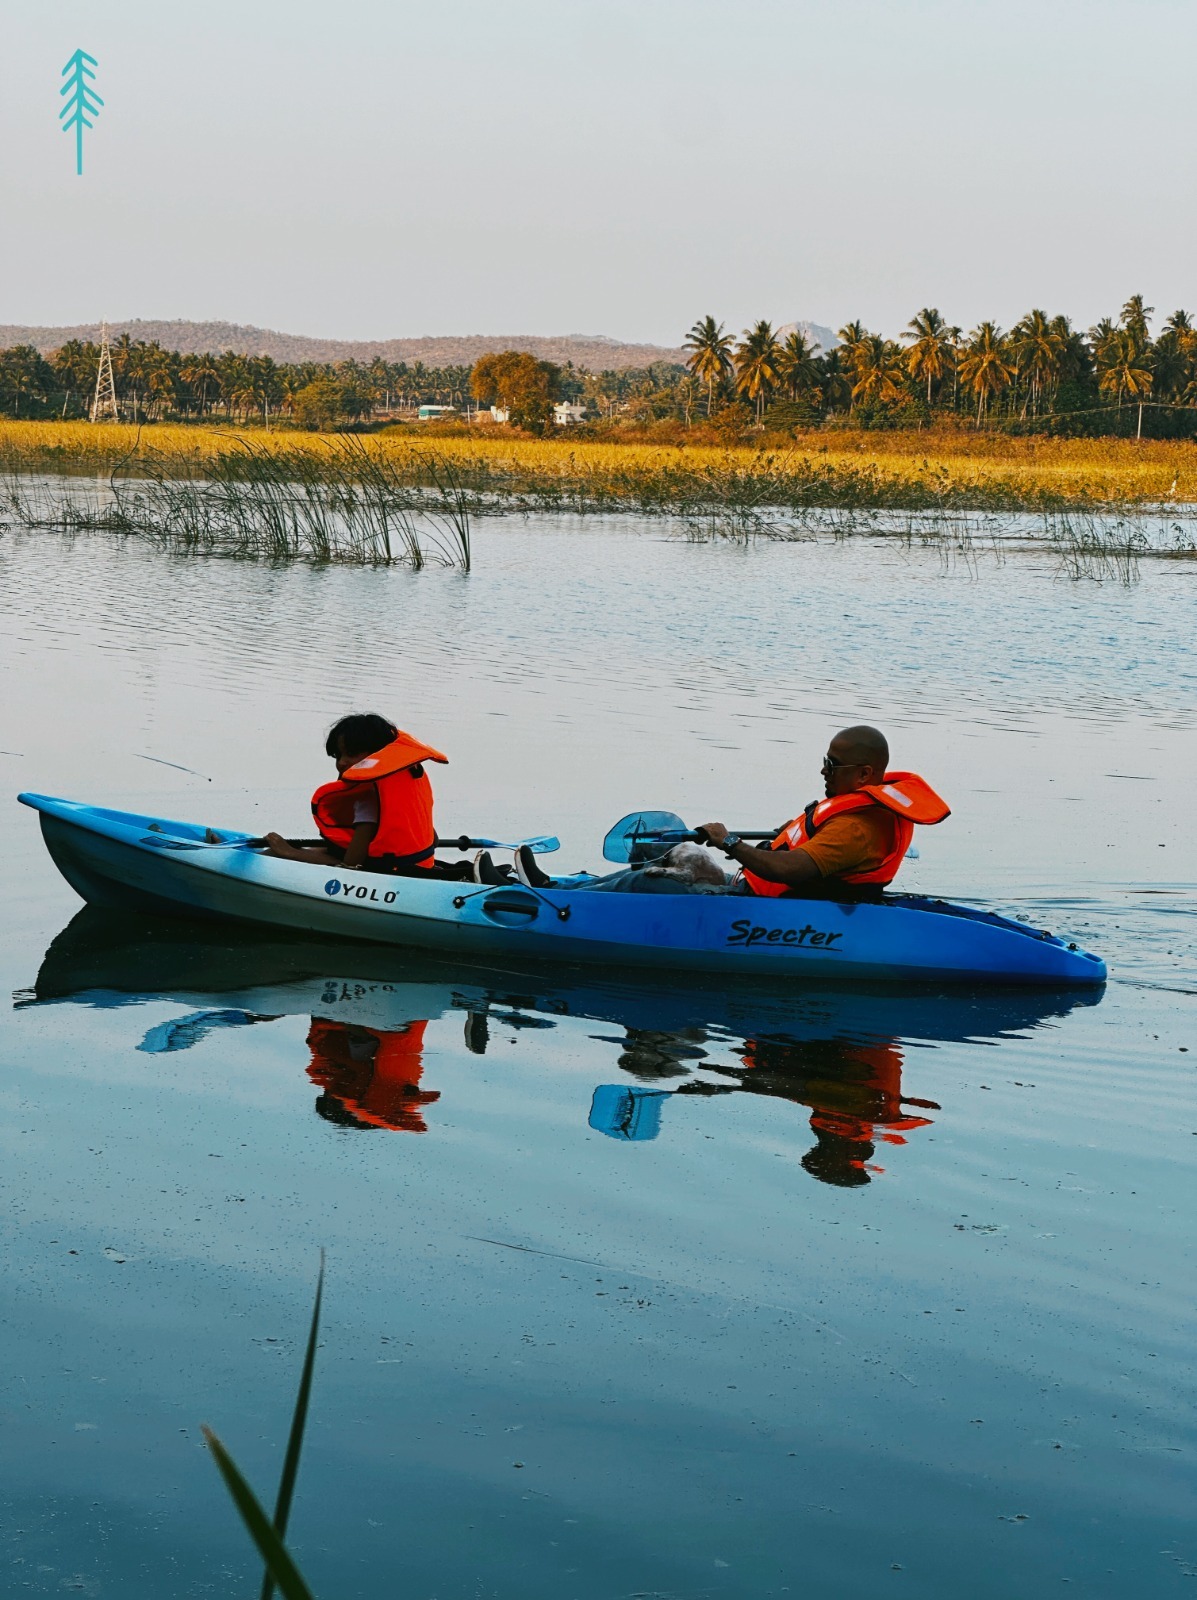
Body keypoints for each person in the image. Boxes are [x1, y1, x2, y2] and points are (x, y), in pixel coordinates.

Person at [518, 724, 948, 900]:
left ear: (865, 773)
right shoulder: (850, 810)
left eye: (831, 765)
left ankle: (543, 903)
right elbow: (793, 844)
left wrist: (730, 842)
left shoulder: (857, 828)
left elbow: (791, 870)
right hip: (747, 887)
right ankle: (556, 888)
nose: (822, 770)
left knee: (649, 883)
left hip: (763, 908)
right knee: (677, 855)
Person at [265, 713, 471, 879]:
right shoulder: (404, 776)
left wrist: (290, 852)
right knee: (315, 849)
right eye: (338, 755)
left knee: (276, 854)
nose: (342, 763)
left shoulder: (367, 797)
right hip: (419, 866)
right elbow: (432, 840)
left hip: (392, 875)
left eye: (351, 754)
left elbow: (352, 864)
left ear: (379, 754)